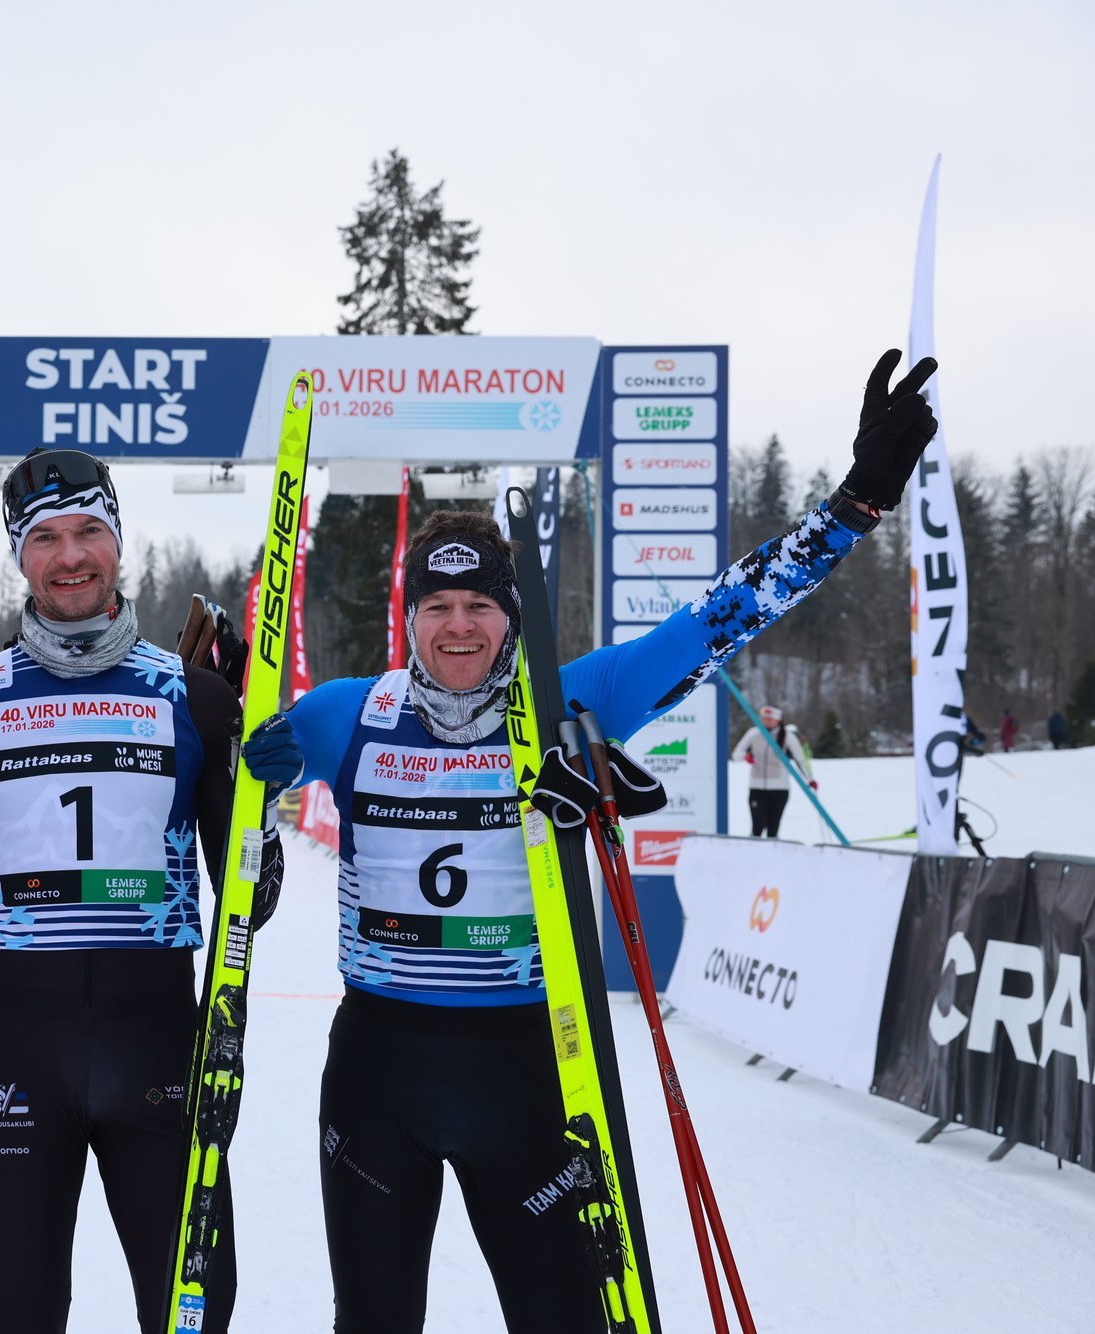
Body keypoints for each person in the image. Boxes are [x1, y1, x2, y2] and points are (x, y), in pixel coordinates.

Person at [243, 349, 939, 1332]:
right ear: (407, 618)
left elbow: (715, 622)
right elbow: (227, 796)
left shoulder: (567, 700)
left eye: (479, 603)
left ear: (508, 614)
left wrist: (851, 509)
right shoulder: (343, 716)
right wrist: (243, 798)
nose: (456, 625)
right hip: (375, 1075)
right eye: (435, 605)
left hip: (525, 1069)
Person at [0, 448, 281, 1334]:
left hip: (159, 1049)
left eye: (90, 531)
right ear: (21, 557)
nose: (70, 555)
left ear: (119, 544)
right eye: (45, 538)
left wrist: (261, 817)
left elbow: (250, 899)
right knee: (21, 1314)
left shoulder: (193, 699)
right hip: (19, 1056)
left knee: (195, 1311)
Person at [732, 704, 814, 838]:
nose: (767, 721)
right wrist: (746, 756)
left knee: (773, 828)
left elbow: (801, 759)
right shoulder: (753, 733)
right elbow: (736, 754)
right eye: (764, 718)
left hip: (779, 788)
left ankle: (773, 854)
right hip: (757, 787)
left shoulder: (787, 736)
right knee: (757, 827)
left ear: (778, 720)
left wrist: (810, 779)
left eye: (770, 718)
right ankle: (753, 852)